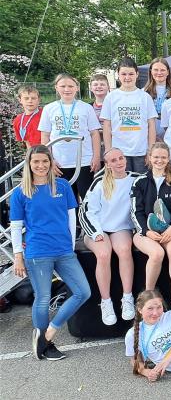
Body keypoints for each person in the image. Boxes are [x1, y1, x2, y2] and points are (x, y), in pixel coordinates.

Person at [11, 145, 91, 360]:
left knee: (83, 291)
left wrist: (71, 246)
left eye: (45, 161)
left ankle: (48, 332)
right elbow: (17, 227)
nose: (40, 165)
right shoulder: (21, 193)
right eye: (36, 162)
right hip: (38, 253)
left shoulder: (63, 186)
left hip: (64, 251)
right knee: (44, 297)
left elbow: (71, 217)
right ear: (29, 164)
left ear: (51, 162)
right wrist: (18, 256)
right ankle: (46, 346)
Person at [130, 142, 171, 317]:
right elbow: (136, 211)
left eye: (163, 157)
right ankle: (147, 300)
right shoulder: (139, 182)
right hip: (145, 232)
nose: (159, 160)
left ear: (169, 158)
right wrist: (146, 231)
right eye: (156, 157)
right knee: (157, 254)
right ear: (149, 158)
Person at [78, 148, 138, 326]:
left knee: (124, 250)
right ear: (107, 164)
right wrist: (96, 233)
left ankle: (127, 298)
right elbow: (87, 211)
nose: (119, 162)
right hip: (97, 228)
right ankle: (106, 302)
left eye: (121, 158)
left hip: (121, 228)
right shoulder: (99, 182)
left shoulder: (136, 179)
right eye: (113, 160)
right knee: (104, 254)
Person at [39, 74, 102, 200]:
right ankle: (71, 221)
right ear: (56, 87)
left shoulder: (86, 108)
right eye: (63, 86)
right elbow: (45, 136)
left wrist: (96, 157)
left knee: (88, 199)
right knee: (66, 200)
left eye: (70, 86)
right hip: (60, 163)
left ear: (77, 88)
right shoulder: (49, 108)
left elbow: (94, 133)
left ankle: (85, 220)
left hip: (84, 161)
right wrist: (49, 160)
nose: (67, 89)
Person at [101, 57, 157, 173]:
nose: (127, 77)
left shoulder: (145, 97)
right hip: (118, 154)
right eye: (124, 74)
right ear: (118, 75)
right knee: (120, 186)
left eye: (131, 74)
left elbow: (151, 126)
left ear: (137, 74)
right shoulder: (111, 97)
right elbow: (107, 126)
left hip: (141, 152)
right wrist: (108, 151)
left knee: (141, 187)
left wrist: (150, 150)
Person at [143, 57, 171, 141]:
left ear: (168, 72)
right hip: (148, 134)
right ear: (151, 71)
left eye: (162, 70)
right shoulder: (143, 92)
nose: (159, 73)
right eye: (156, 70)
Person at [13, 84, 42, 149]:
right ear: (20, 100)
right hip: (32, 154)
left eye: (33, 98)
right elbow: (26, 141)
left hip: (48, 153)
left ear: (39, 100)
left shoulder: (45, 114)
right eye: (26, 98)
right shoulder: (17, 120)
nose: (30, 101)